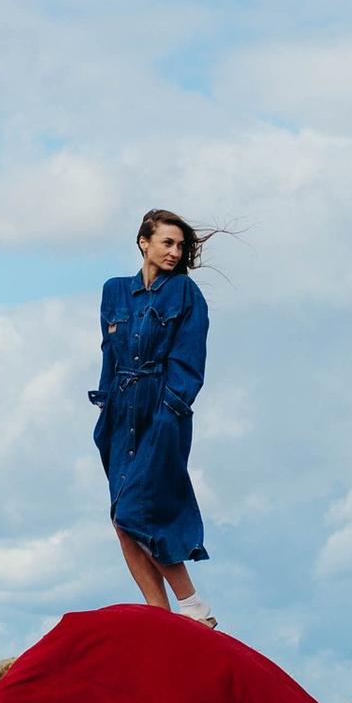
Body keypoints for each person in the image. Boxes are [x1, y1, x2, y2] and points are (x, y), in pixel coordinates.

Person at [93, 208, 217, 622]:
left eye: (180, 246)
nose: (175, 251)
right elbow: (109, 356)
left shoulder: (185, 293)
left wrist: (169, 413)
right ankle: (160, 617)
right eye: (168, 242)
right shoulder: (114, 292)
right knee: (120, 519)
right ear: (144, 242)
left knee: (137, 510)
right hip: (118, 412)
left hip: (163, 409)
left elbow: (189, 362)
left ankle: (193, 606)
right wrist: (104, 407)